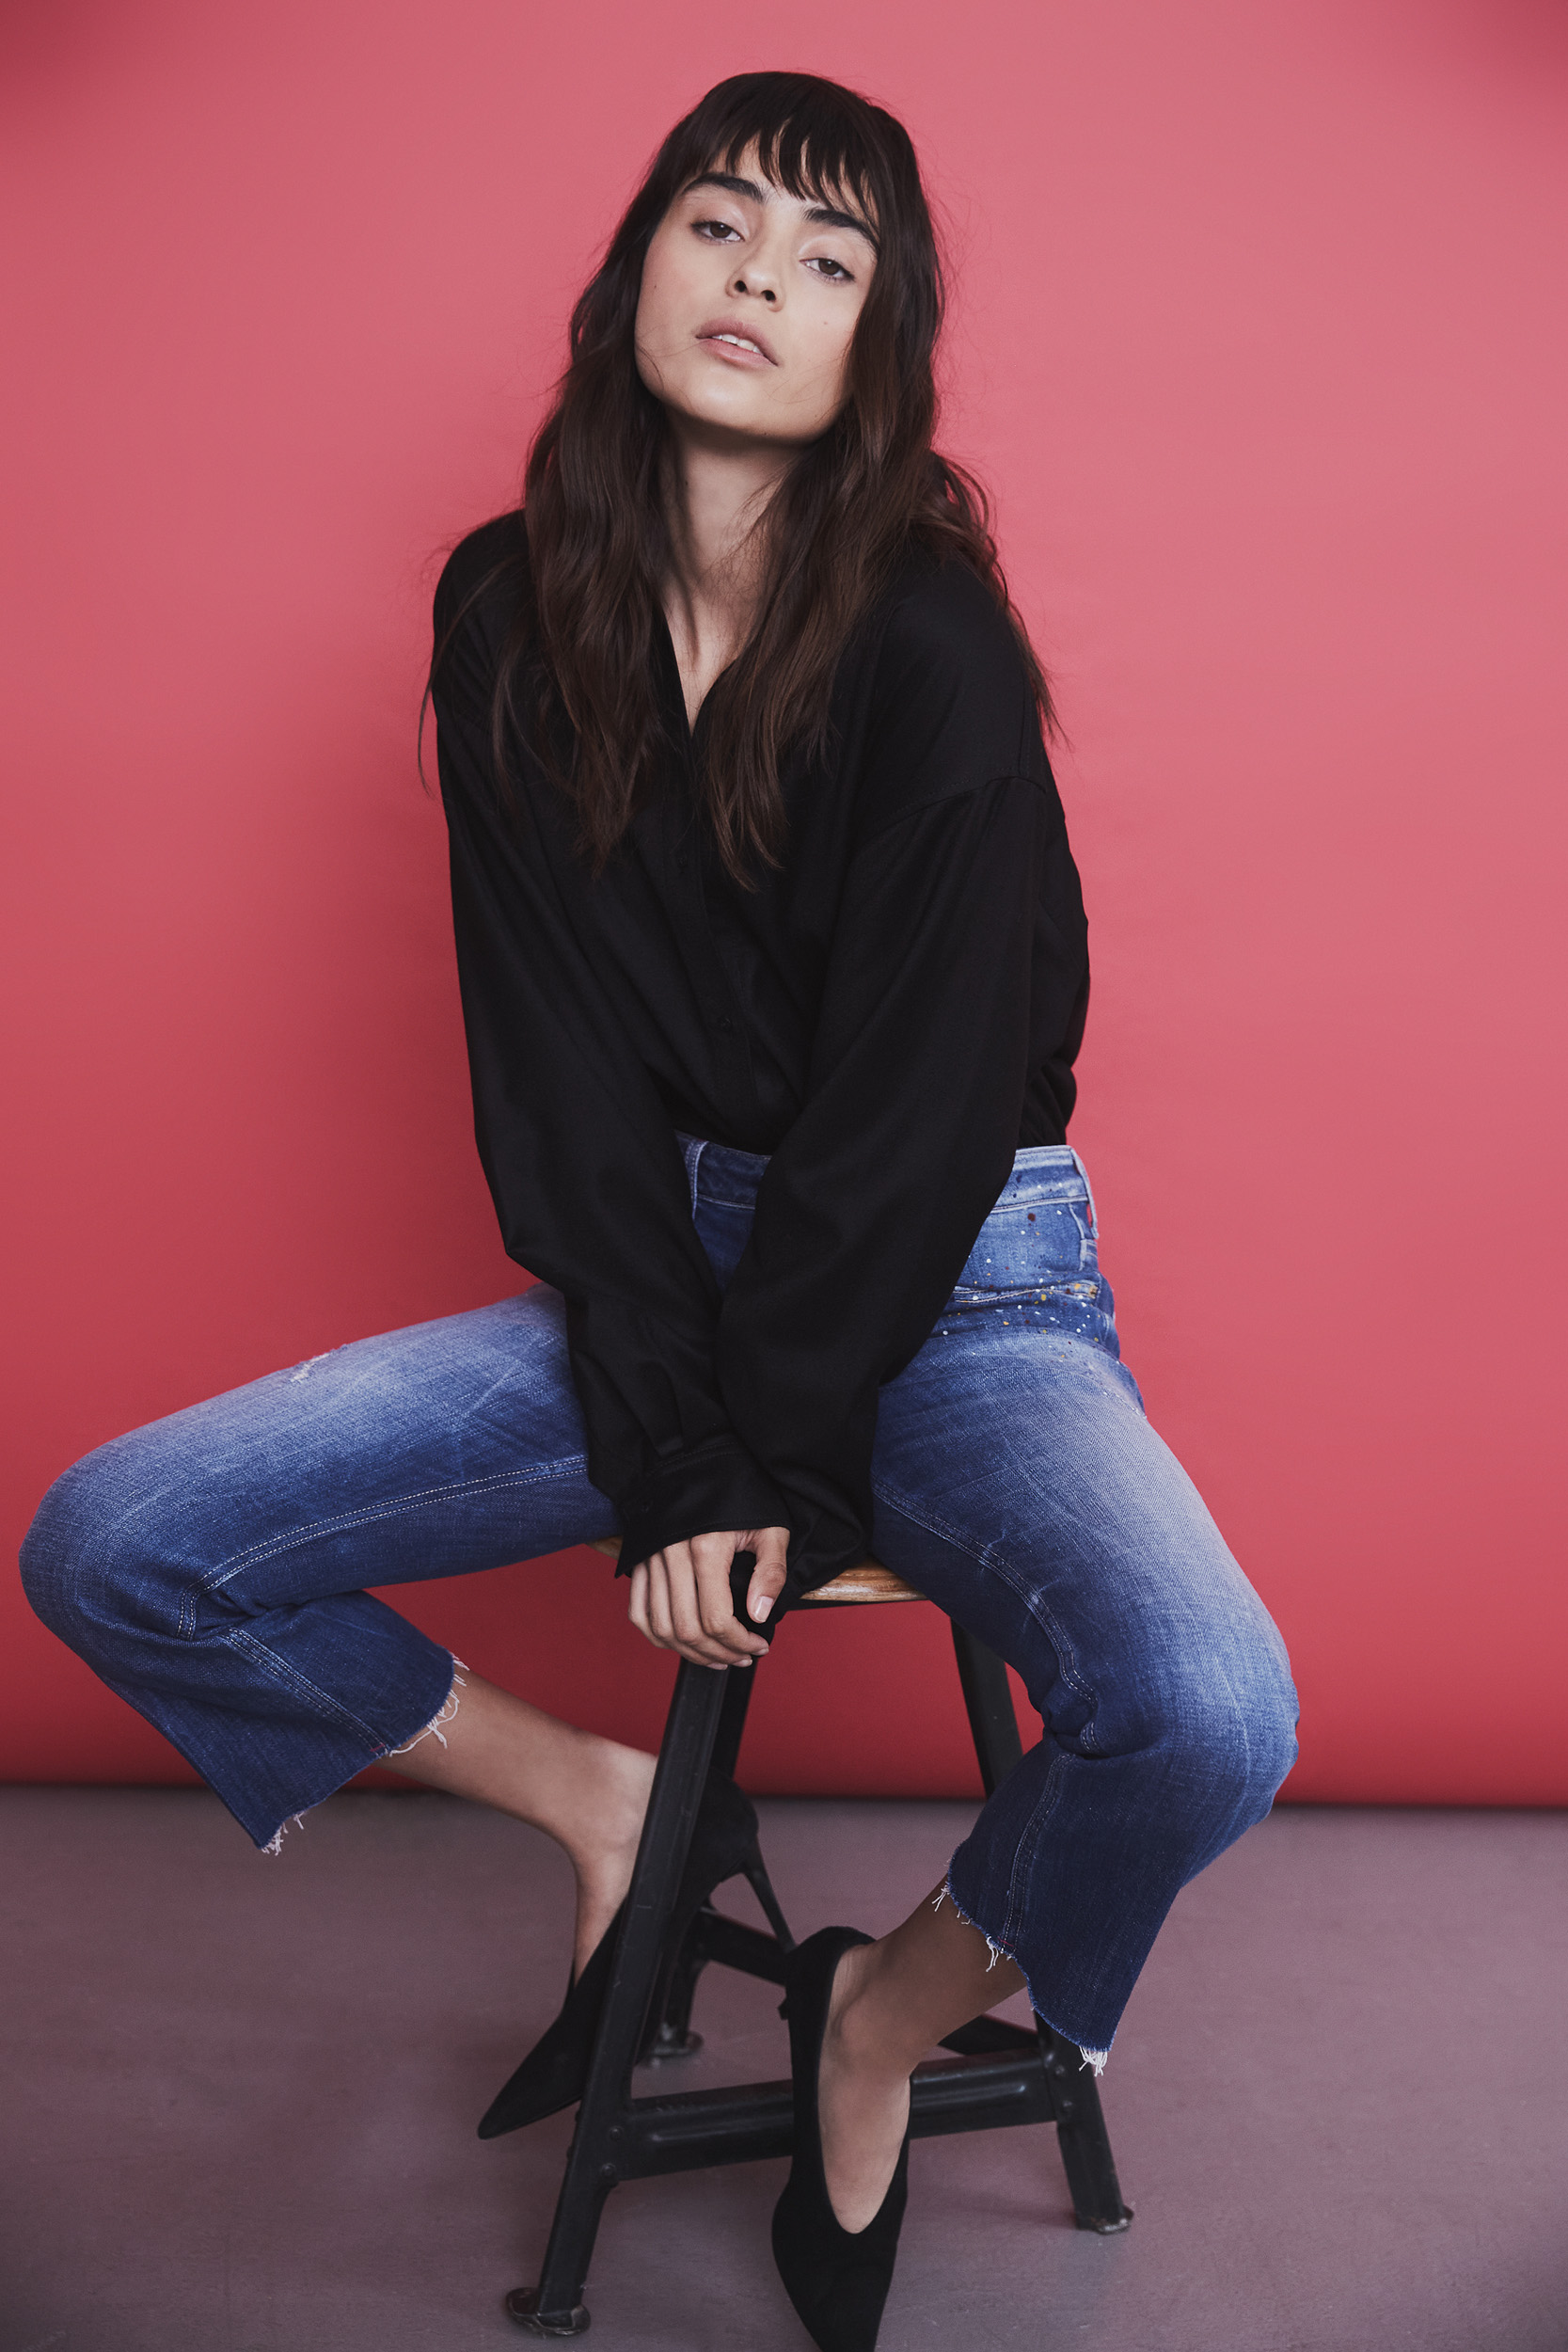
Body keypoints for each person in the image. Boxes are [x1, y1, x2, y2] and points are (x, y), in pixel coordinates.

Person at [20, 70, 1298, 2352]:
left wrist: (760, 1449)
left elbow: (922, 1106)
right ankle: (610, 1804)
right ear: (642, 267)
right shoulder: (510, 609)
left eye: (830, 259)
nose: (761, 282)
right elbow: (561, 1067)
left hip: (961, 1292)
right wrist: (680, 1424)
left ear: (877, 346)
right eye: (724, 225)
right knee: (117, 1538)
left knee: (1210, 1704)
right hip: (665, 1278)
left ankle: (877, 2012)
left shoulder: (929, 639)